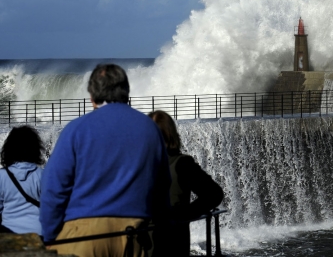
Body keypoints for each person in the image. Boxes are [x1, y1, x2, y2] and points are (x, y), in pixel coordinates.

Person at [40, 64, 171, 257]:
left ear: (92, 96)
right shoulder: (149, 129)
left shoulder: (77, 129)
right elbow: (161, 188)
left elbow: (53, 188)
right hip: (132, 234)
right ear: (126, 91)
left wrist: (50, 236)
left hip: (83, 235)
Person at [148, 110, 223, 257]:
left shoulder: (135, 164)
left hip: (143, 243)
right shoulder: (181, 163)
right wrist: (183, 215)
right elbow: (213, 194)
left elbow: (214, 194)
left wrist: (181, 215)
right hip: (174, 243)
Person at [0, 125, 44, 235]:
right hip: (39, 233)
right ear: (36, 149)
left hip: (9, 232)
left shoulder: (1, 176)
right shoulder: (43, 175)